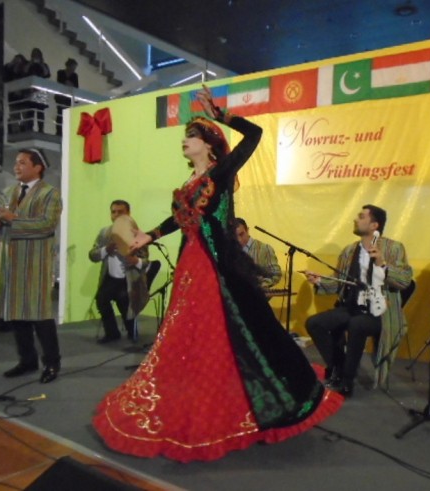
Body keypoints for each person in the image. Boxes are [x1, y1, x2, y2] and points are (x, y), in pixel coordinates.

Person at [93, 86, 343, 463]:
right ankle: (192, 389)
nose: (185, 139)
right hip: (190, 263)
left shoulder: (221, 172)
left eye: (192, 135)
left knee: (221, 329)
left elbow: (254, 134)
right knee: (187, 331)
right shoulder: (188, 186)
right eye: (186, 135)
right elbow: (178, 220)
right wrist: (150, 235)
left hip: (215, 265)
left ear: (209, 145)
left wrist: (221, 115)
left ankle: (233, 394)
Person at [304, 205, 413, 396]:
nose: (356, 219)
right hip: (351, 307)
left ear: (374, 225)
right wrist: (320, 281)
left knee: (357, 324)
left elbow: (404, 281)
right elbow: (339, 282)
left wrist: (382, 264)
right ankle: (338, 367)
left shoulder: (393, 248)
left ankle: (347, 381)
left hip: (380, 313)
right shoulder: (349, 251)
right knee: (314, 323)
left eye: (361, 217)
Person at [0, 149, 62, 384]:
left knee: (39, 315)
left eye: (22, 162)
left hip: (35, 262)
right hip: (10, 262)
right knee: (16, 315)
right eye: (15, 163)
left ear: (38, 167)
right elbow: (0, 227)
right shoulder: (8, 192)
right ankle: (27, 360)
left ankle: (52, 363)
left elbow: (46, 225)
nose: (16, 167)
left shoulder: (50, 193)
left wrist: (12, 219)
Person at [89, 200, 149, 343]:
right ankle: (112, 333)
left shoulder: (137, 235)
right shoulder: (104, 233)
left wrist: (135, 261)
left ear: (128, 214)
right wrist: (106, 250)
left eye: (120, 212)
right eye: (113, 212)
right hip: (110, 278)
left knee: (124, 301)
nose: (116, 215)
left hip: (129, 279)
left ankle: (132, 331)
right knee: (101, 299)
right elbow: (92, 255)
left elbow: (146, 262)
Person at [233, 217, 282, 289]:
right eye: (235, 236)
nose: (239, 239)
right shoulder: (230, 251)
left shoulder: (265, 249)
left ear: (247, 230)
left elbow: (276, 275)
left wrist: (261, 285)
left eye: (241, 234)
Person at [24, 48, 51, 132]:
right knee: (30, 110)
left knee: (40, 110)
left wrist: (41, 64)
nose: (35, 56)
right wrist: (30, 63)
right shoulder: (28, 64)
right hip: (31, 89)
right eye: (34, 54)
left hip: (40, 90)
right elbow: (24, 71)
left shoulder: (44, 65)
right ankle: (29, 127)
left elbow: (46, 74)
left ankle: (41, 129)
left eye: (37, 55)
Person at [55, 58, 79, 136]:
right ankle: (59, 131)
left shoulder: (75, 75)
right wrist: (69, 84)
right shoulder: (61, 72)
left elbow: (76, 86)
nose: (73, 69)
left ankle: (65, 132)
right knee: (60, 113)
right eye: (73, 67)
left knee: (66, 114)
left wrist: (68, 83)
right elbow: (60, 82)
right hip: (61, 96)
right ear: (68, 66)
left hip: (68, 97)